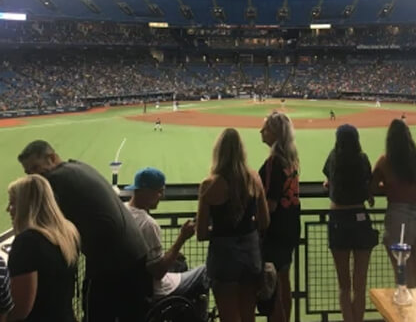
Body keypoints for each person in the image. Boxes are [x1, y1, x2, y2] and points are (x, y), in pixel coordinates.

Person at [17, 140, 150, 322]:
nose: (33, 176)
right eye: (28, 172)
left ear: (52, 158)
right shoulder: (77, 166)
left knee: (95, 315)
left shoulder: (54, 179)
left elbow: (45, 220)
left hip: (112, 263)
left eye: (35, 168)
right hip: (135, 254)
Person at [196, 128, 269, 322]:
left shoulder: (209, 185)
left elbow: (201, 233)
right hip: (250, 253)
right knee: (248, 316)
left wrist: (219, 230)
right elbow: (264, 221)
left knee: (228, 317)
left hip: (223, 257)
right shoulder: (254, 179)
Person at [125, 168, 209, 307]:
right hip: (154, 290)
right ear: (146, 192)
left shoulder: (124, 211)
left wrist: (171, 254)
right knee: (205, 271)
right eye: (159, 191)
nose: (162, 196)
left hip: (132, 286)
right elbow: (158, 272)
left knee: (179, 262)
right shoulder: (148, 224)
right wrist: (182, 238)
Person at [322, 125, 378, 322]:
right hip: (360, 219)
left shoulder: (334, 157)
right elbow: (368, 182)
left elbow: (328, 180)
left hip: (338, 219)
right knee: (359, 285)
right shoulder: (362, 158)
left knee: (344, 286)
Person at [7, 174, 80, 322]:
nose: (8, 209)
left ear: (26, 206)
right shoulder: (68, 232)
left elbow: (20, 310)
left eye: (13, 203)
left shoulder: (26, 243)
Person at [371, 119, 416, 288]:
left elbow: (370, 187)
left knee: (402, 278)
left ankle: (405, 314)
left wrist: (388, 187)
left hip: (399, 218)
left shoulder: (385, 161)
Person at [259, 112, 300, 322]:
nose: (261, 131)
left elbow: (270, 204)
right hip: (291, 226)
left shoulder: (274, 161)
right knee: (283, 281)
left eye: (265, 128)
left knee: (272, 287)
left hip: (275, 232)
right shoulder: (290, 158)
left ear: (275, 132)